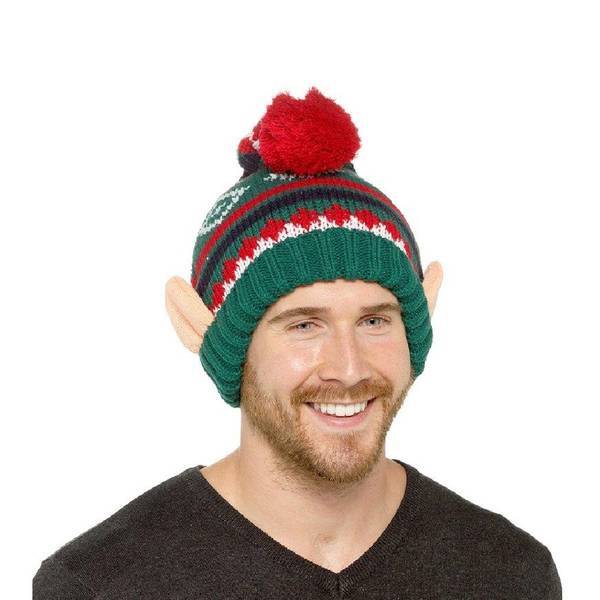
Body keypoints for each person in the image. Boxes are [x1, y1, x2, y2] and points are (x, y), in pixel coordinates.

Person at [33, 87, 562, 599]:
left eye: (374, 321)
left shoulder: (510, 575)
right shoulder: (99, 585)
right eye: (304, 325)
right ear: (216, 340)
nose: (349, 368)